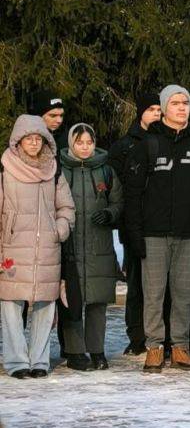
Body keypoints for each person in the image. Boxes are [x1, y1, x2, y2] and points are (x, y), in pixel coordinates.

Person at [123, 84, 190, 373]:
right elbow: (133, 194)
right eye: (175, 103)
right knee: (154, 293)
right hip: (154, 234)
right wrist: (135, 234)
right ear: (163, 108)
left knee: (184, 294)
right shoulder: (147, 145)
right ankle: (154, 347)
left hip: (187, 234)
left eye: (185, 102)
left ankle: (180, 346)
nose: (181, 108)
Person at [1, 115, 75, 378]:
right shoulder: (5, 168)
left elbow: (66, 206)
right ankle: (16, 361)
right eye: (29, 138)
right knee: (11, 304)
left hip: (47, 246)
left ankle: (39, 360)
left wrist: (60, 229)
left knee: (45, 303)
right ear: (18, 140)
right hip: (12, 248)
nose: (34, 143)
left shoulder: (53, 170)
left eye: (38, 139)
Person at [58, 123, 123, 371]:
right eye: (79, 142)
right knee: (72, 300)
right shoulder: (61, 170)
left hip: (99, 246)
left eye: (89, 142)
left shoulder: (106, 171)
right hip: (71, 245)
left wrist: (109, 214)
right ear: (71, 144)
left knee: (97, 302)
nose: (85, 147)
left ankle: (97, 350)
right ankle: (75, 352)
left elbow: (118, 202)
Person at [109, 92, 161, 355]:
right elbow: (116, 188)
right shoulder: (124, 146)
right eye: (151, 109)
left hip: (162, 224)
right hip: (134, 224)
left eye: (158, 109)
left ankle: (160, 335)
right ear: (141, 112)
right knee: (137, 285)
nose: (156, 113)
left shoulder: (165, 142)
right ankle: (136, 335)